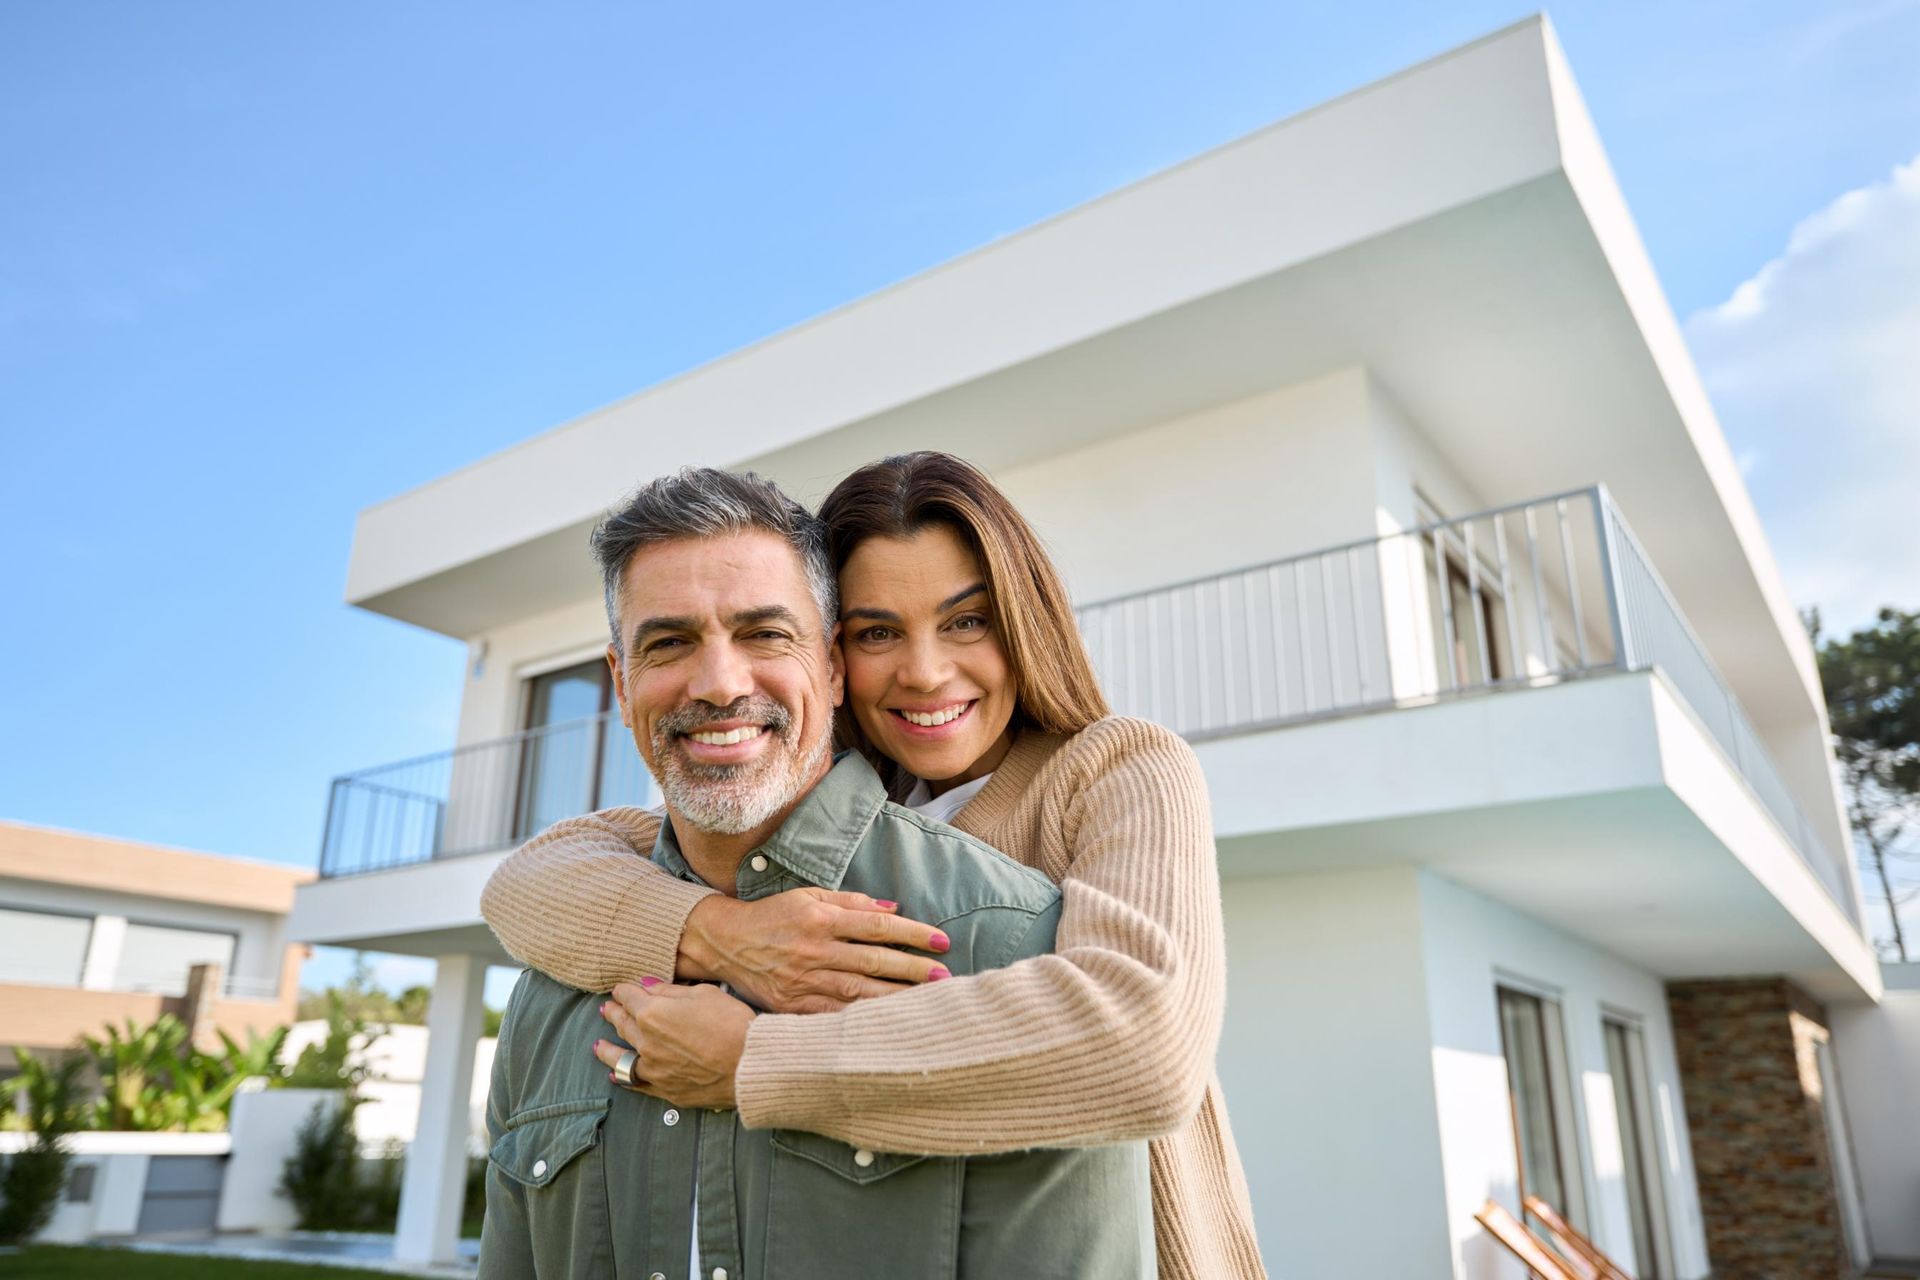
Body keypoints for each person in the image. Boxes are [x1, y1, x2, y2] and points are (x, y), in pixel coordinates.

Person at [483, 452, 1266, 1279]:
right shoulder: (812, 786)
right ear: (837, 659)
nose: (924, 671)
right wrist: (720, 934)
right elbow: (531, 880)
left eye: (967, 621)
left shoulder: (1113, 769)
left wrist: (753, 1060)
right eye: (878, 633)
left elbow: (1143, 1046)